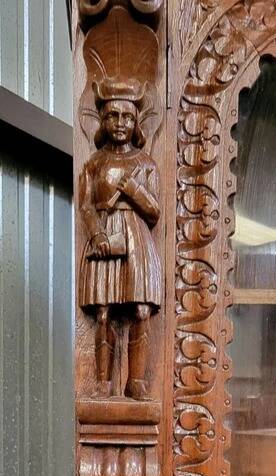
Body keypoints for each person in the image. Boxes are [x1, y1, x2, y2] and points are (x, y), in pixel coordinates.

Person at [79, 77, 161, 399]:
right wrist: (97, 233)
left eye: (127, 117)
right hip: (105, 237)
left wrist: (132, 189)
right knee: (104, 313)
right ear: (102, 120)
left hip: (137, 240)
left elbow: (154, 211)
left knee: (140, 311)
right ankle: (103, 380)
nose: (120, 123)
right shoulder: (94, 163)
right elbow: (86, 204)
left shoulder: (146, 163)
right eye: (113, 116)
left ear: (136, 122)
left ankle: (135, 380)